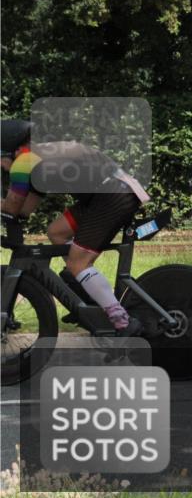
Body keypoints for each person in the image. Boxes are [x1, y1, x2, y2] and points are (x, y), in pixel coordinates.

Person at [1, 119, 149, 336]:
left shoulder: (24, 161)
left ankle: (123, 322)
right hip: (105, 193)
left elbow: (12, 206)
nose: (1, 167)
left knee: (78, 262)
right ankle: (84, 296)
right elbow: (23, 210)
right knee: (57, 232)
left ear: (8, 151)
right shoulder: (35, 157)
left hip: (111, 194)